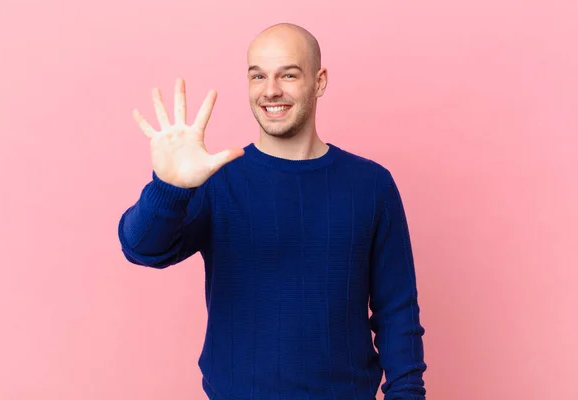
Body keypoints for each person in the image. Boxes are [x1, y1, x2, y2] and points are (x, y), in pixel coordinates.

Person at [118, 23, 427, 400]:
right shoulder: (218, 180)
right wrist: (169, 188)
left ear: (319, 81)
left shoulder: (372, 185)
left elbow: (397, 311)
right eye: (258, 76)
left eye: (289, 74)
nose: (271, 90)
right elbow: (142, 249)